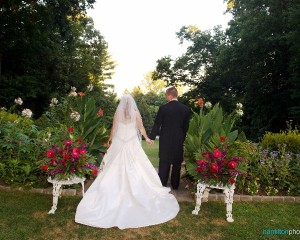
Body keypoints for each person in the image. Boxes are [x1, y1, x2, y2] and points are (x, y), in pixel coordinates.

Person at [75, 94, 179, 229]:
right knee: (137, 166)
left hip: (120, 142)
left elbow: (114, 128)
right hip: (131, 142)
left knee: (114, 166)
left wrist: (109, 140)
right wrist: (146, 138)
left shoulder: (118, 113)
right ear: (131, 104)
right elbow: (141, 128)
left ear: (122, 104)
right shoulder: (135, 113)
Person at [149, 86, 191, 190]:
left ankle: (162, 183)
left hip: (165, 140)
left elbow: (157, 124)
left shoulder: (163, 108)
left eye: (165, 95)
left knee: (164, 161)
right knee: (177, 163)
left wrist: (152, 137)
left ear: (169, 95)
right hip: (178, 139)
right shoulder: (186, 109)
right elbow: (186, 127)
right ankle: (175, 185)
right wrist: (182, 137)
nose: (165, 97)